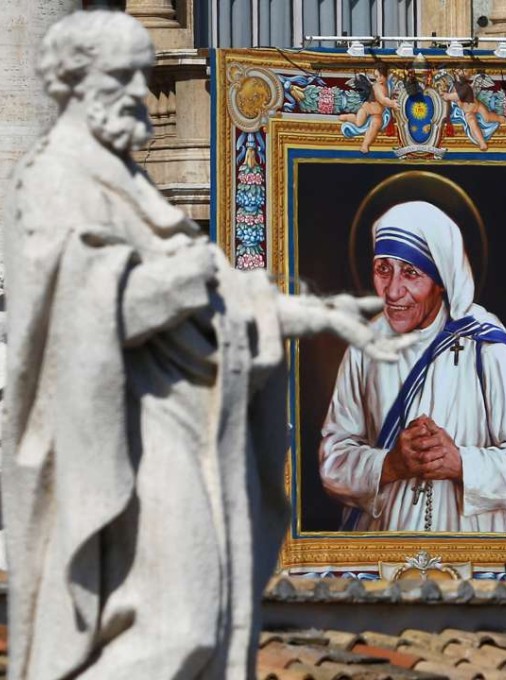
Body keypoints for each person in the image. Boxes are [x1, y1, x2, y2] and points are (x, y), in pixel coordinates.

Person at [4, 11, 401, 679]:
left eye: (143, 73)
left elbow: (222, 303)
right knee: (180, 627)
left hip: (185, 431)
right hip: (132, 442)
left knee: (205, 619)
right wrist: (183, 275)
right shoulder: (54, 179)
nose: (142, 92)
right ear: (77, 83)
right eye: (124, 77)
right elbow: (85, 319)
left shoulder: (127, 181)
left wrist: (323, 314)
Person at [319, 201, 506, 533]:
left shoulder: (488, 346)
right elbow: (332, 463)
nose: (393, 291)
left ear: (441, 279)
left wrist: (460, 463)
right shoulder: (364, 346)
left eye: (411, 273)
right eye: (383, 269)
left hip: (475, 563)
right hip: (382, 559)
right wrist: (390, 465)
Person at [339, 66, 398, 153]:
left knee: (375, 124)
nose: (379, 79)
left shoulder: (388, 85)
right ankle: (349, 117)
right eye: (377, 76)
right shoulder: (377, 87)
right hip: (366, 109)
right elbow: (383, 100)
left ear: (386, 75)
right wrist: (392, 103)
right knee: (359, 123)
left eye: (381, 76)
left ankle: (365, 145)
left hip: (377, 114)